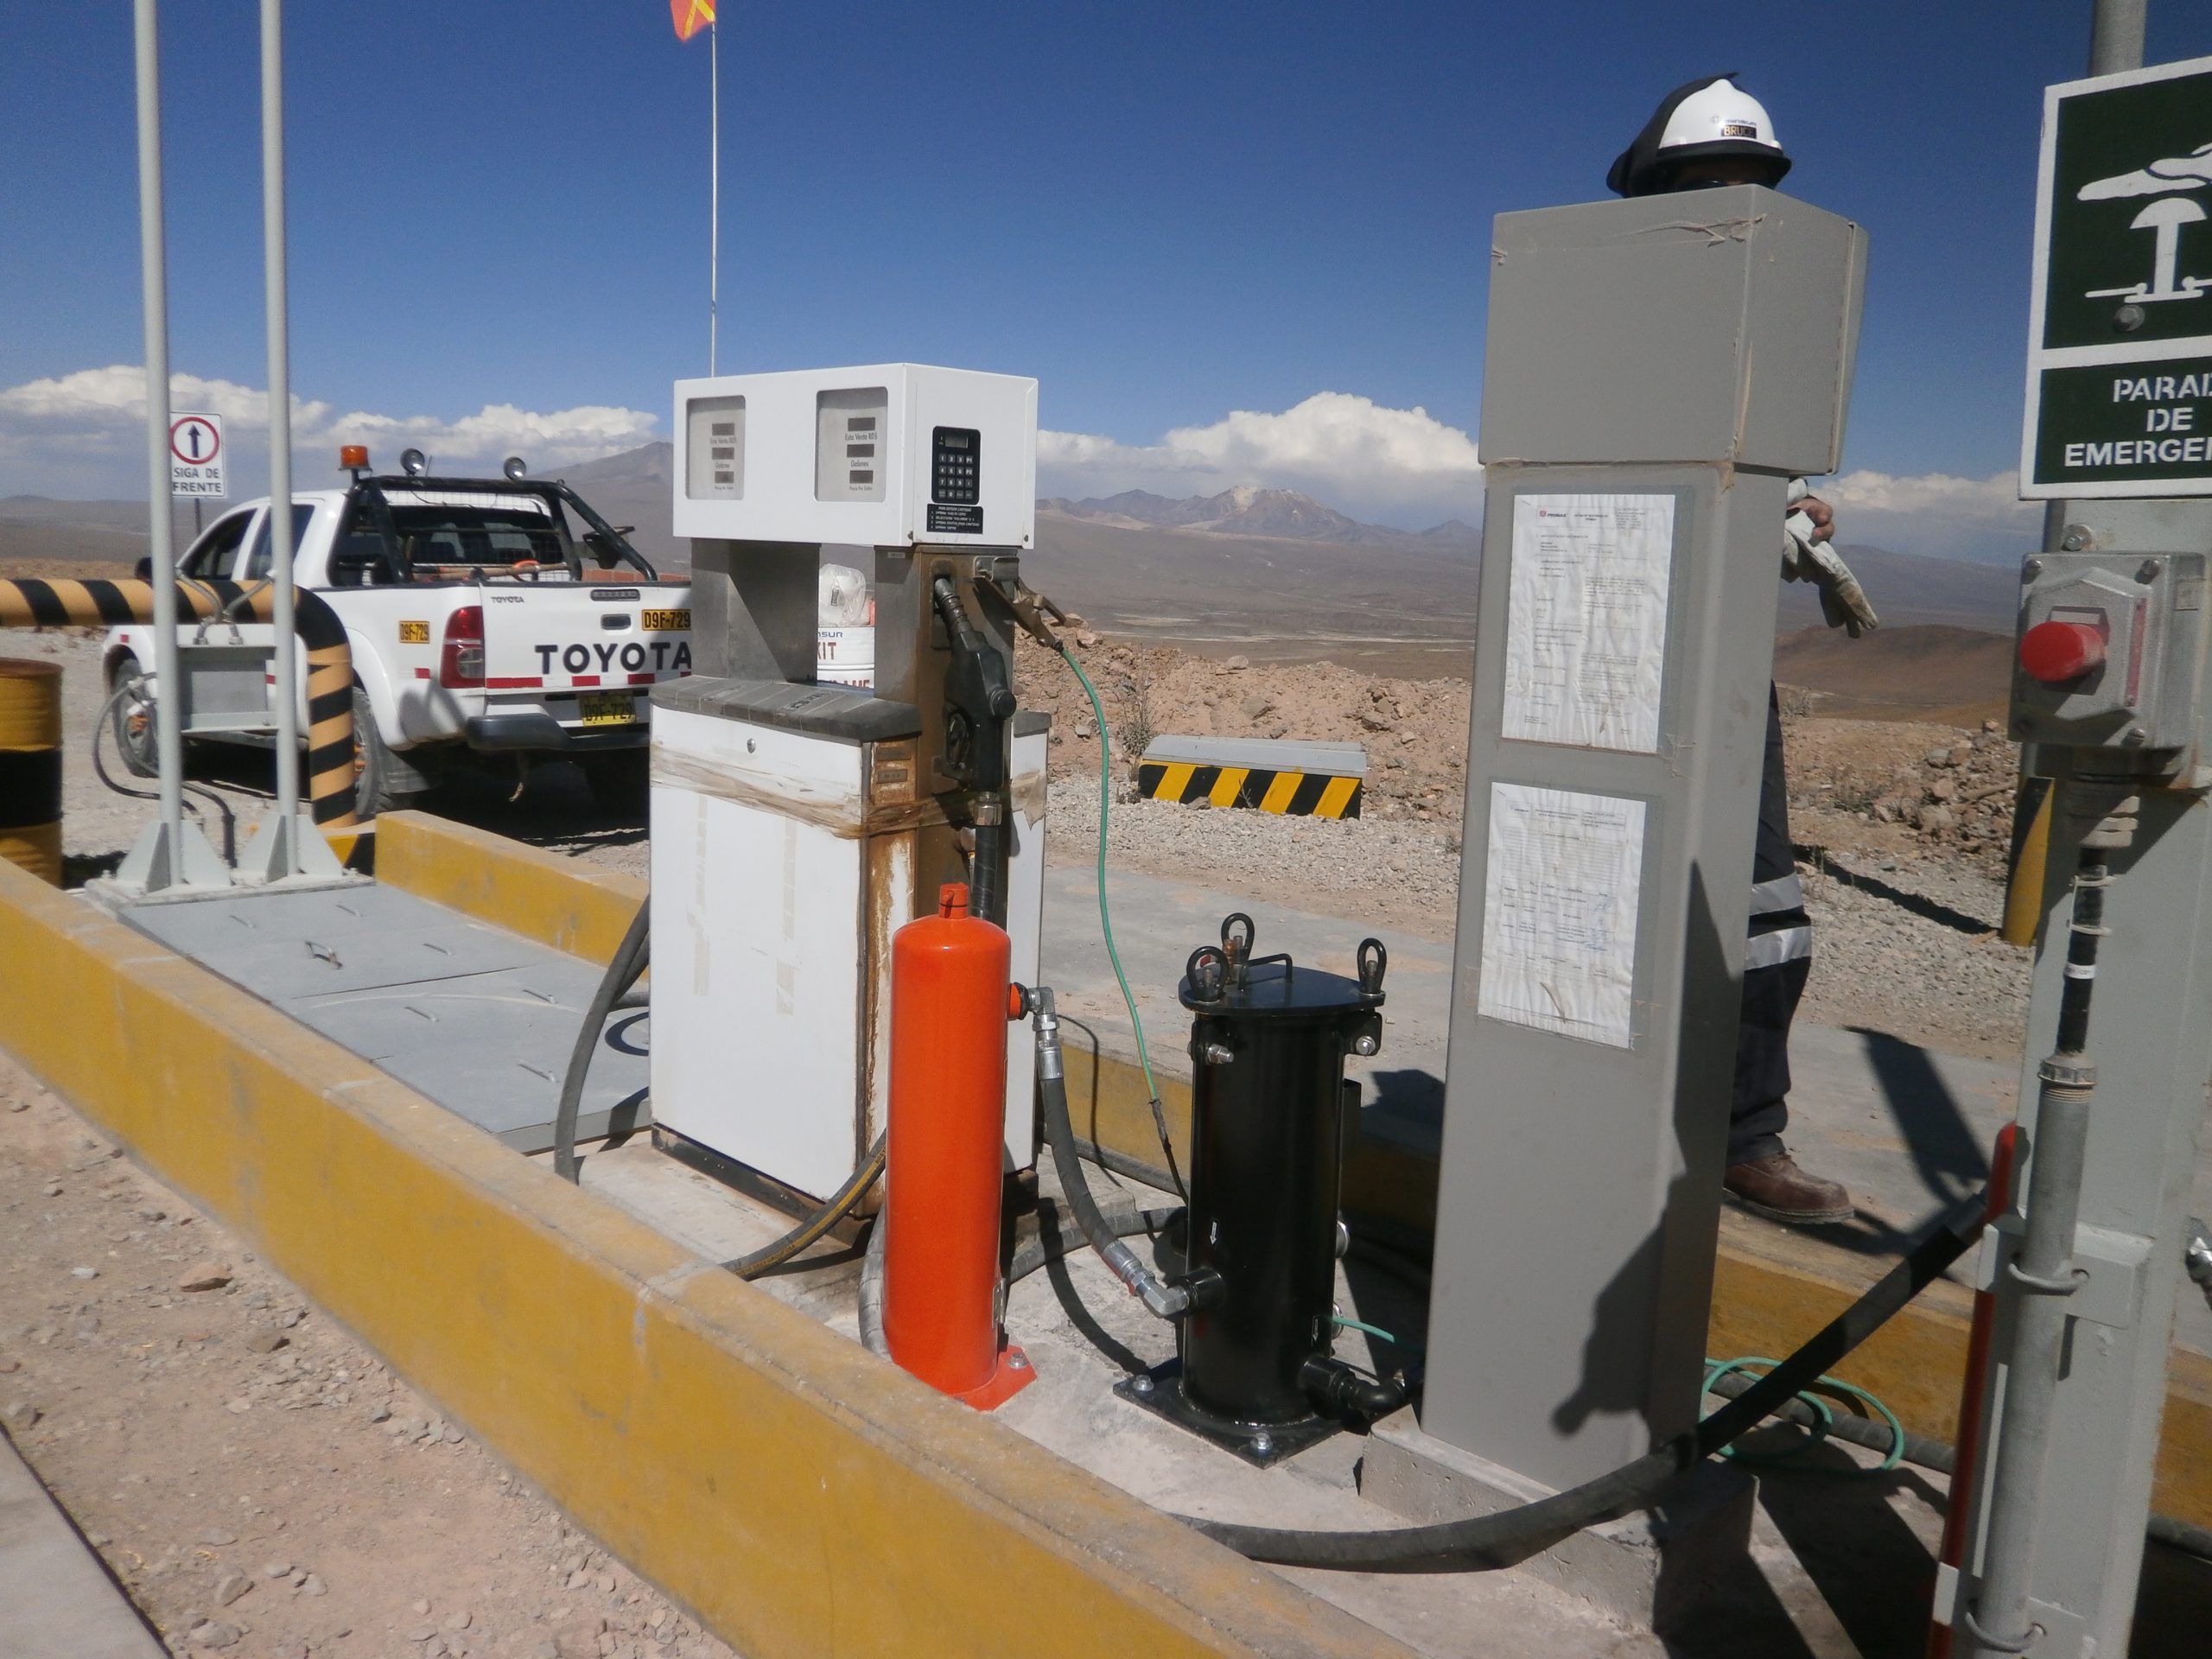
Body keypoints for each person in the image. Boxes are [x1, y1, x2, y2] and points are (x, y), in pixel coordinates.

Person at [1608, 74, 1878, 1225]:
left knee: (1761, 901)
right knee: (1603, 889)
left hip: (1719, 667)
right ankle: (1601, 1107)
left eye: (1748, 183)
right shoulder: (1605, 316)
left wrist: (1789, 513)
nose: (1736, 205)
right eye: (1711, 183)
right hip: (1611, 659)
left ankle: (1742, 1133)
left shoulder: (1757, 339)